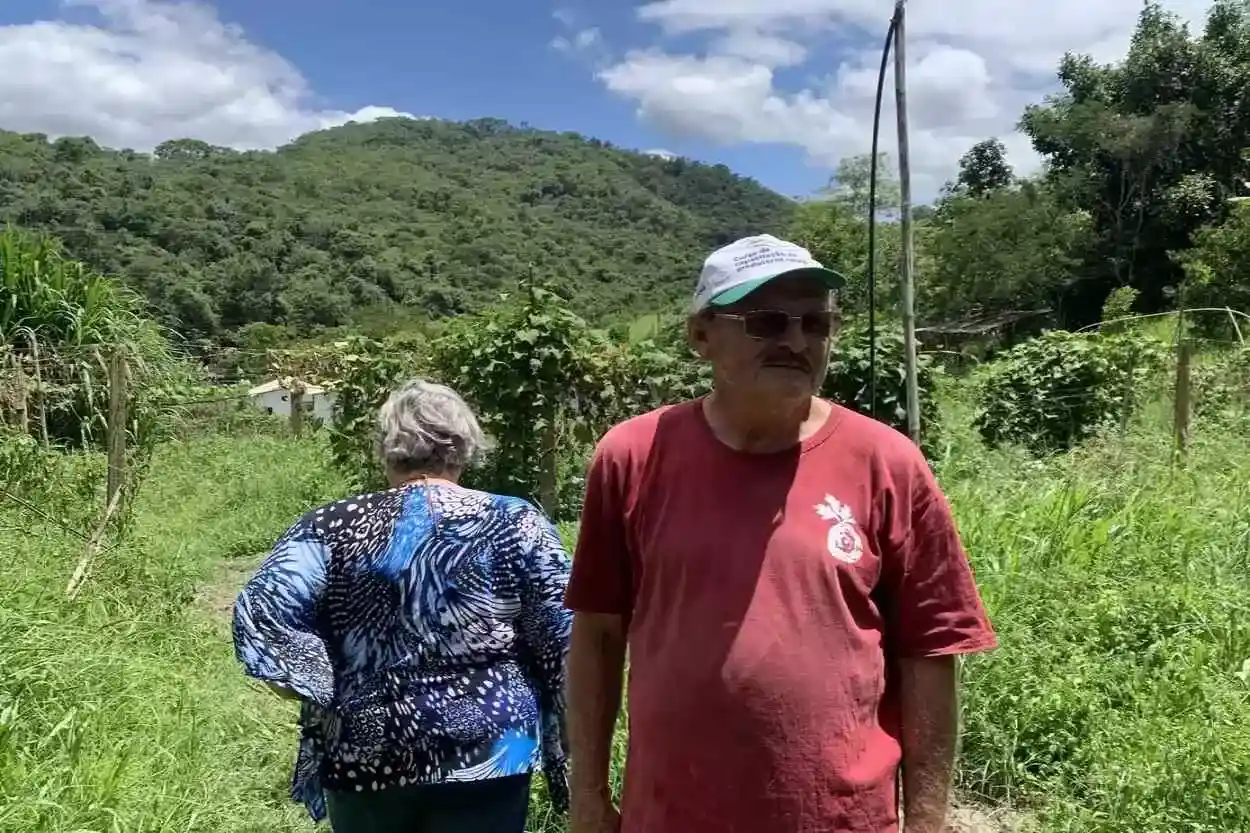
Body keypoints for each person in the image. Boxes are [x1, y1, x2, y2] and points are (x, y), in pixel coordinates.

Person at [564, 234, 997, 833]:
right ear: (701, 336)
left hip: (839, 819)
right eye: (767, 322)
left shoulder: (886, 462)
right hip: (671, 815)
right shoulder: (633, 457)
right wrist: (586, 796)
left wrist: (927, 823)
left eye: (816, 324)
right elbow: (597, 637)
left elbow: (930, 651)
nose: (796, 342)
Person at [232, 378, 572, 833]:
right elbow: (564, 633)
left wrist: (318, 687)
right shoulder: (514, 521)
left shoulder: (331, 525)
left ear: (387, 448)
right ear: (465, 446)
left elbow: (264, 613)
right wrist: (572, 736)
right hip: (493, 746)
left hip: (368, 743)